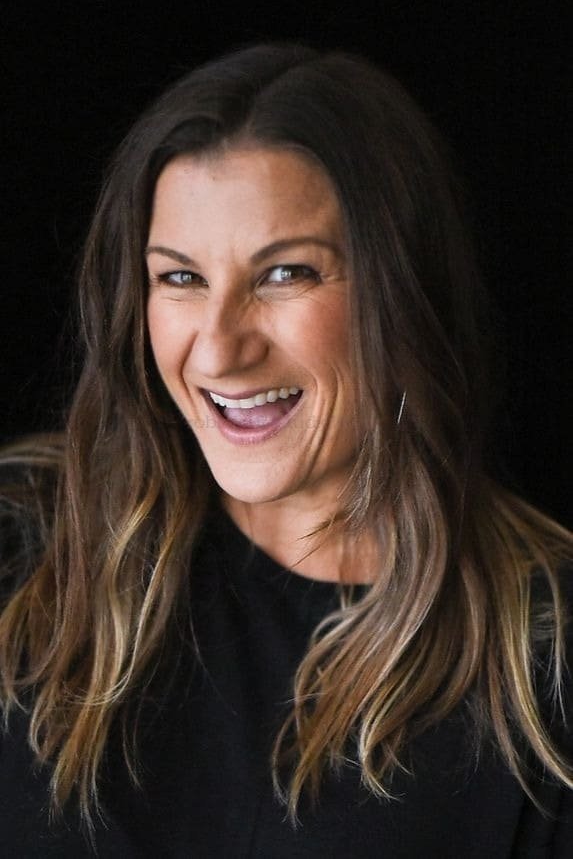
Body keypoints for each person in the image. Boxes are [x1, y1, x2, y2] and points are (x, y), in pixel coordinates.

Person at [0, 42, 572, 858]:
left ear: (405, 290)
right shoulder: (25, 544)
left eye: (285, 274)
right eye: (180, 278)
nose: (218, 350)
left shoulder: (544, 658)